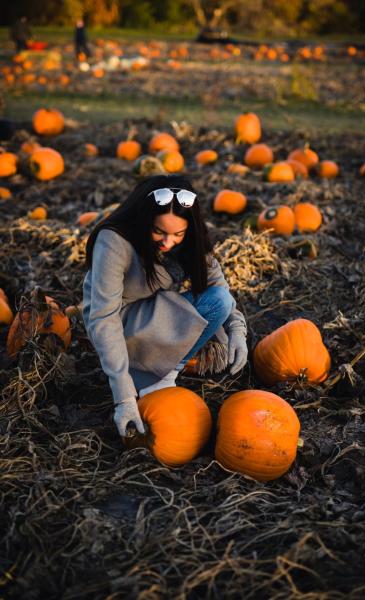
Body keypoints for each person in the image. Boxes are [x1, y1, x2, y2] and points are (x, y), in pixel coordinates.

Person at [82, 174, 248, 438]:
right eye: (158, 231)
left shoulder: (190, 242)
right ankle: (151, 377)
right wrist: (123, 397)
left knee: (219, 302)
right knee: (212, 303)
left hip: (153, 311)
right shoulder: (113, 241)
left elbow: (217, 285)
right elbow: (103, 319)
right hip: (120, 324)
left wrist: (237, 329)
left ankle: (165, 372)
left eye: (178, 234)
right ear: (144, 218)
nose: (168, 242)